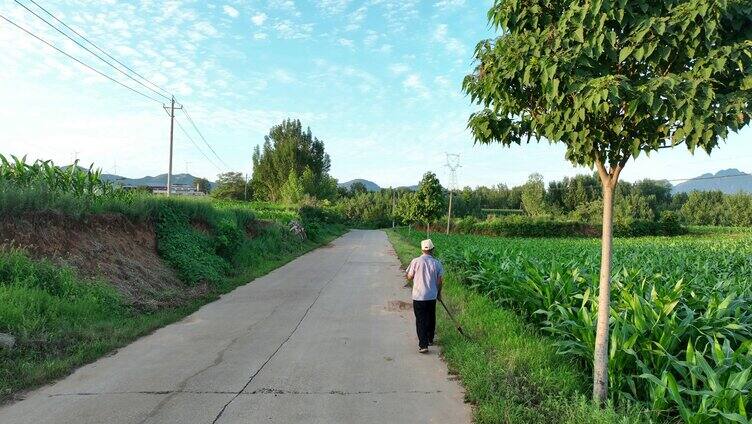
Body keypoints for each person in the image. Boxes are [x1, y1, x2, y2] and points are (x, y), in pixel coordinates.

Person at [405, 239, 444, 353]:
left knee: (421, 320)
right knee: (431, 318)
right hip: (431, 296)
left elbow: (409, 277)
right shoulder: (437, 263)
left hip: (418, 296)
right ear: (432, 249)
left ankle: (423, 345)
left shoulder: (415, 261)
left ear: (422, 249)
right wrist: (439, 293)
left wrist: (408, 275)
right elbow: (440, 280)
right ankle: (430, 339)